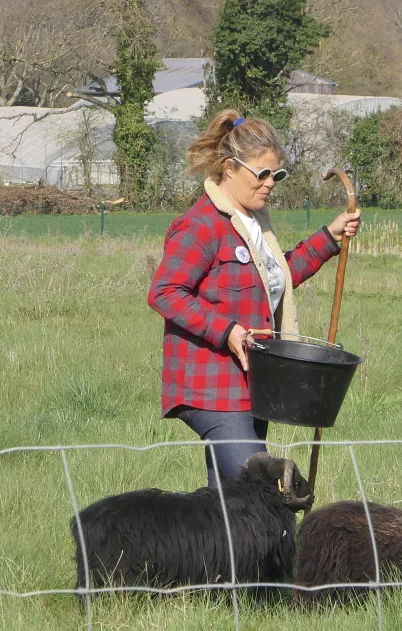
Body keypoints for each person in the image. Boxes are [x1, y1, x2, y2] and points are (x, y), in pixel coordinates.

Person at [148, 109, 360, 489]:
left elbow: (277, 280)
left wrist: (329, 237)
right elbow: (165, 292)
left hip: (253, 384)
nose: (270, 184)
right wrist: (227, 330)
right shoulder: (202, 225)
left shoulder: (254, 225)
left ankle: (216, 551)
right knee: (261, 493)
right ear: (230, 167)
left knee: (230, 510)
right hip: (211, 386)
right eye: (261, 174)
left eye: (276, 175)